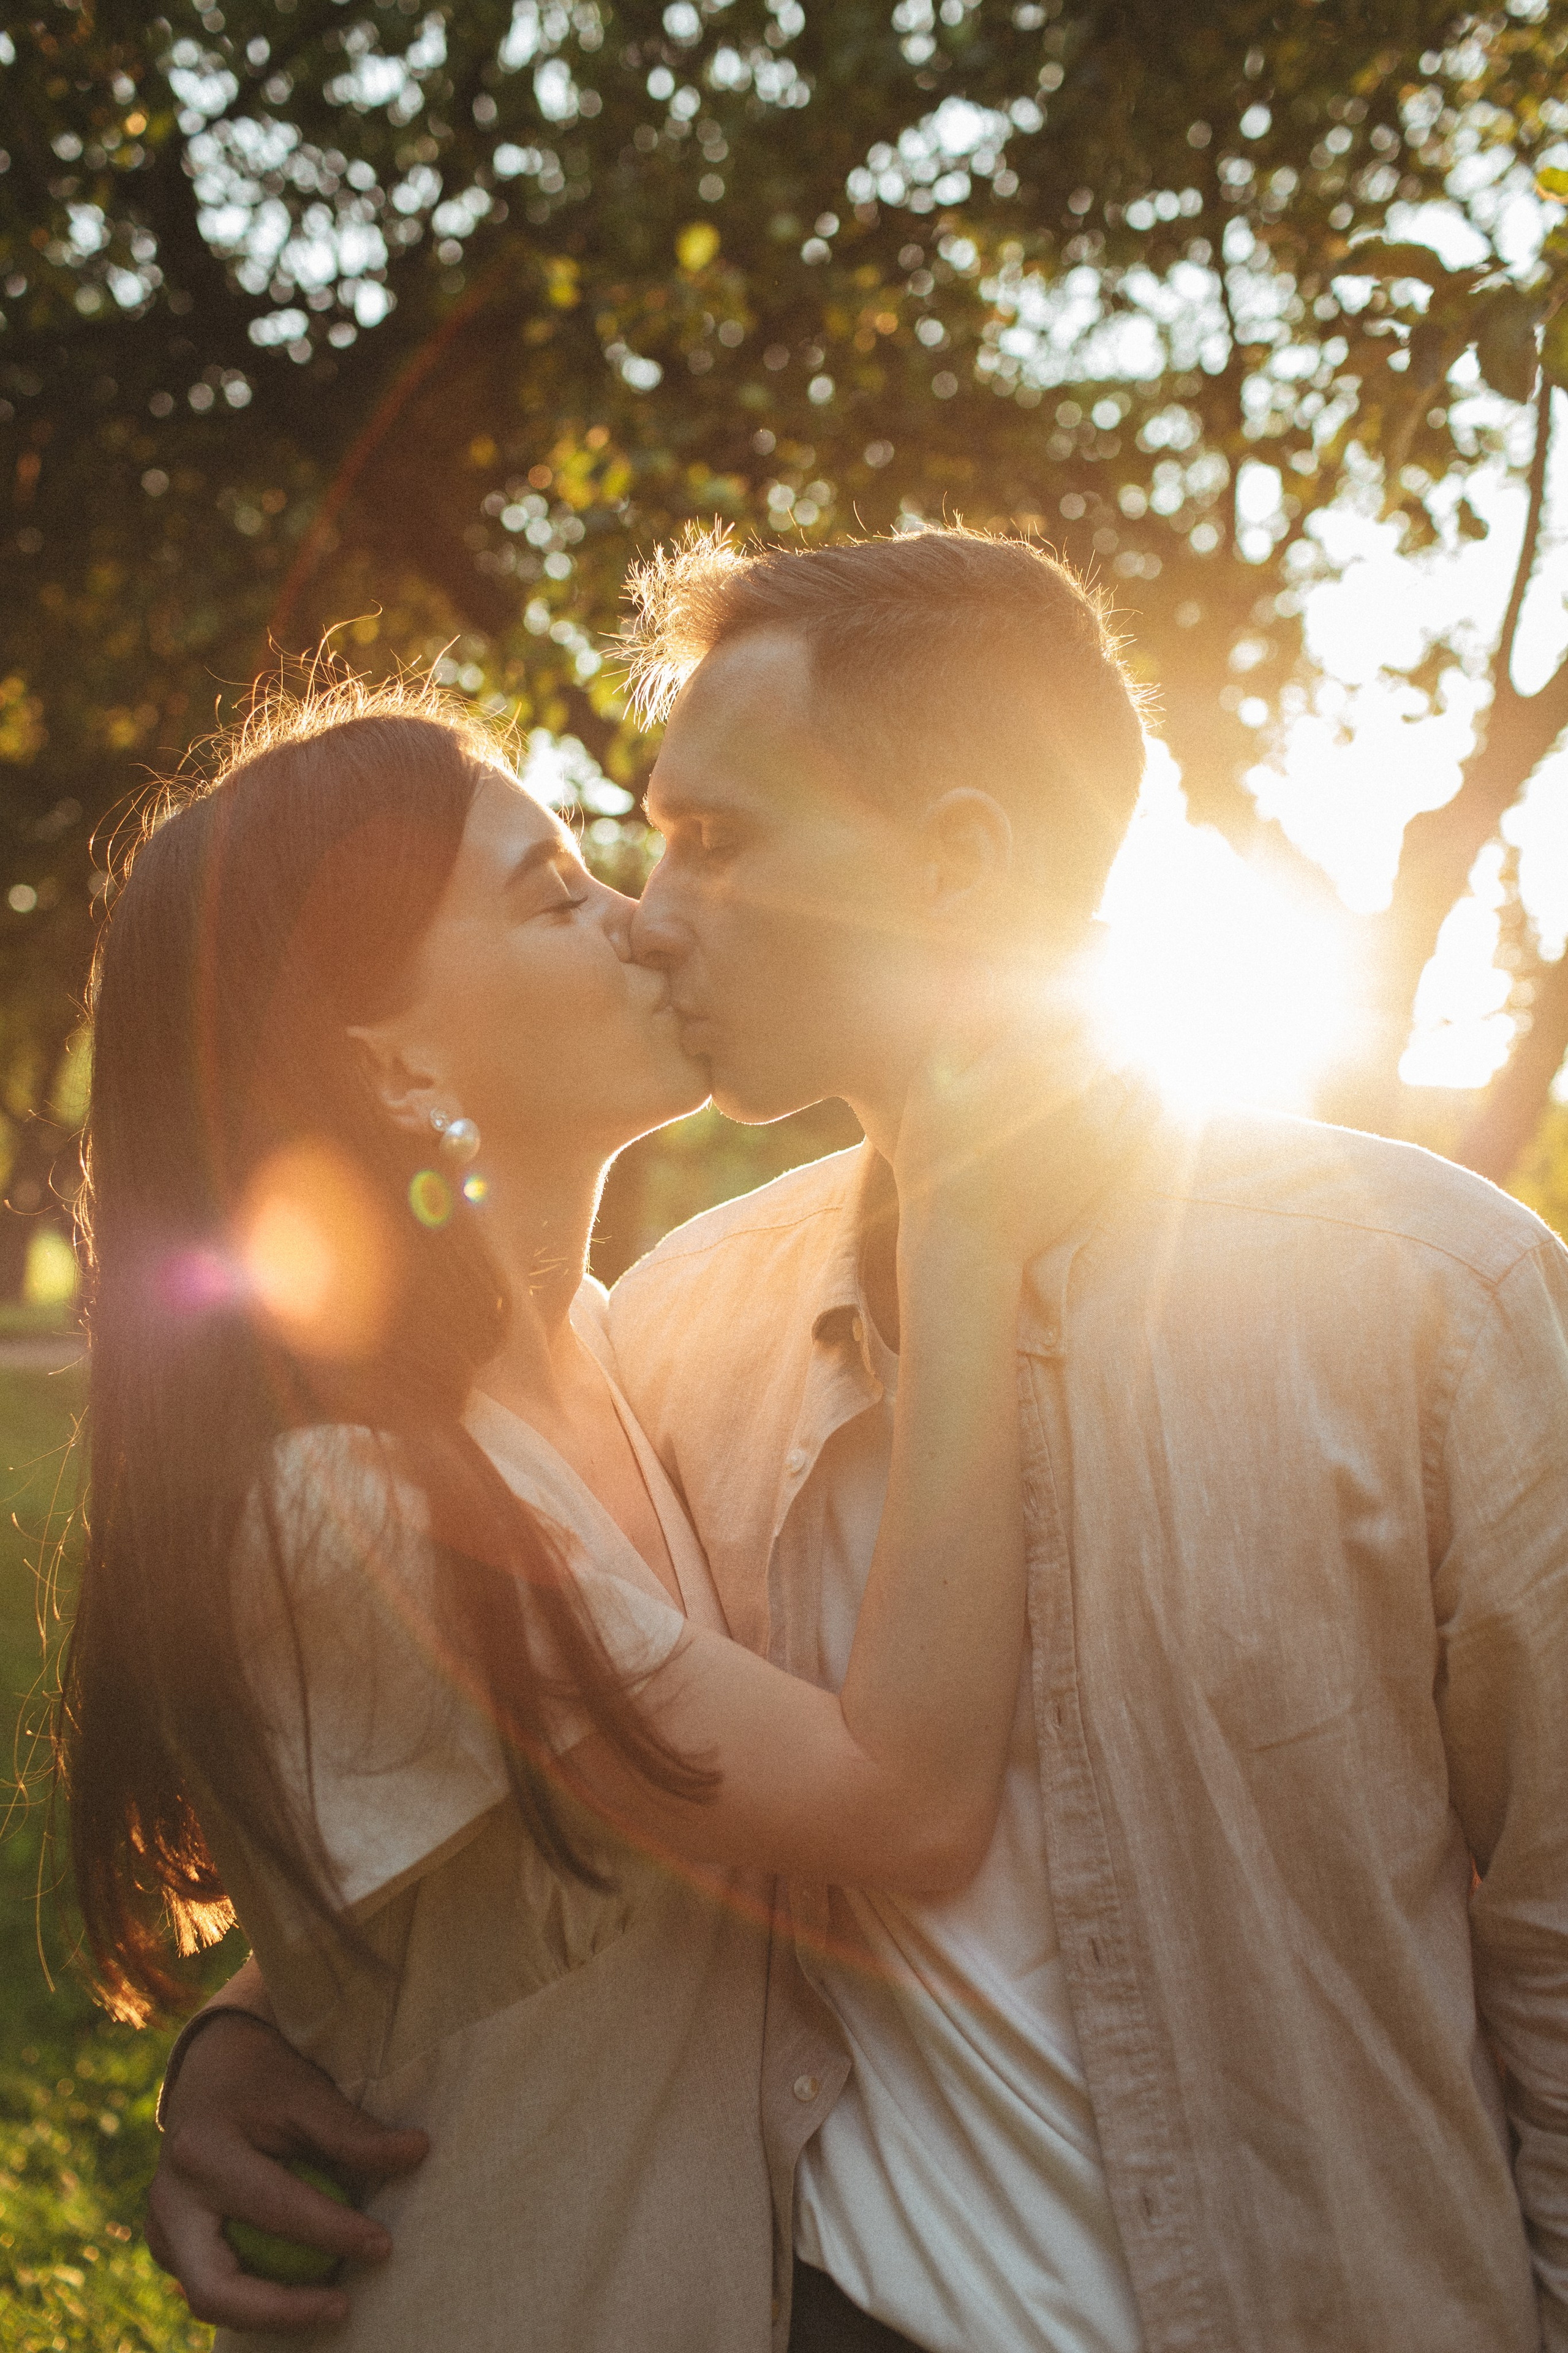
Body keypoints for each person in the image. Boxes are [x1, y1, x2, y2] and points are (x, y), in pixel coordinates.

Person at [150, 528, 1568, 2353]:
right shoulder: (680, 1321)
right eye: (631, 849)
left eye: (717, 845)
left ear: (957, 866)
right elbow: (557, 1795)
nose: (654, 912)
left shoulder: (1429, 1303)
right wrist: (256, 2024)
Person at [59, 673, 1126, 2351]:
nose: (646, 925)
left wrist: (238, 2025)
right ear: (399, 1062)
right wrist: (967, 1218)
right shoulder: (359, 1500)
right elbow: (906, 1799)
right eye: (556, 894)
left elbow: (481, 1891)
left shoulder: (610, 1346)